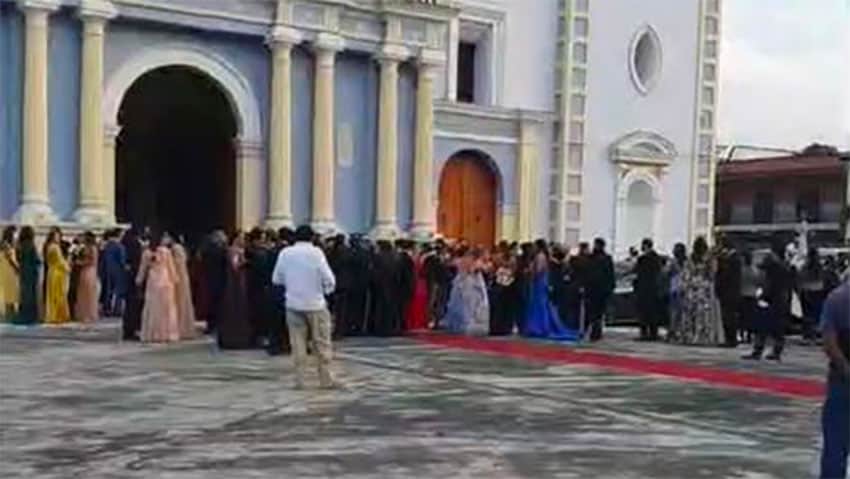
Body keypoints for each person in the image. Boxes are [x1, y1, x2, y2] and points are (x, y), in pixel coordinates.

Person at [271, 225, 337, 389]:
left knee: (297, 343)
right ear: (312, 238)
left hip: (293, 303)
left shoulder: (285, 253)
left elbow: (276, 279)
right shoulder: (316, 253)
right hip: (315, 303)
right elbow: (328, 278)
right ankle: (326, 379)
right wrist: (326, 291)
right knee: (321, 342)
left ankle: (300, 380)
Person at [818, 276, 849, 479]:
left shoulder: (837, 297)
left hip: (842, 380)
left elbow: (829, 341)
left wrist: (846, 368)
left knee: (835, 446)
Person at [744, 239, 794, 361]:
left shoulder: (774, 267)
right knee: (777, 328)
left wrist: (763, 295)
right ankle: (775, 351)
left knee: (763, 326)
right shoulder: (786, 267)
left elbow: (768, 282)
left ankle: (759, 350)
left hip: (771, 299)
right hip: (782, 299)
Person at [522, 240, 577, 341]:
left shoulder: (540, 256)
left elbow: (539, 270)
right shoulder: (544, 256)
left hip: (539, 282)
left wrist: (530, 273)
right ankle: (538, 326)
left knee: (539, 304)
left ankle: (539, 327)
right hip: (541, 282)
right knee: (540, 304)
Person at [136, 232, 180, 343]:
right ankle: (167, 332)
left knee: (153, 307)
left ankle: (153, 332)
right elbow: (171, 268)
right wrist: (175, 280)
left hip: (153, 281)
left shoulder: (146, 253)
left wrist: (139, 281)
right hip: (166, 280)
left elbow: (142, 269)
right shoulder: (166, 252)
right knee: (167, 307)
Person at [678, 237, 722, 346]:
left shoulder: (690, 259)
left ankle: (689, 336)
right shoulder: (709, 259)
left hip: (691, 289)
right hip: (704, 289)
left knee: (690, 314)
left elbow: (685, 274)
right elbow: (712, 274)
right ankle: (703, 337)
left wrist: (686, 285)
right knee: (703, 315)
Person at [217, 231, 255, 349]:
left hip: (238, 282)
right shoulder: (234, 250)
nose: (243, 241)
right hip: (235, 283)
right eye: (241, 238)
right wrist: (246, 262)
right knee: (235, 308)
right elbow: (235, 266)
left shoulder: (236, 250)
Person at [443, 247, 490, 335]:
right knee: (468, 306)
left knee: (469, 306)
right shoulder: (472, 262)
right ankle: (464, 325)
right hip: (469, 285)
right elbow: (471, 270)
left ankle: (461, 325)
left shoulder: (466, 261)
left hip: (469, 283)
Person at [585, 238, 615, 341]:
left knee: (596, 312)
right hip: (597, 289)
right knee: (596, 312)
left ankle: (595, 332)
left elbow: (610, 275)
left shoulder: (596, 258)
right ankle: (595, 332)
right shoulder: (603, 258)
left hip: (597, 289)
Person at [633, 238, 663, 341]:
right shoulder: (656, 258)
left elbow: (636, 271)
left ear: (645, 246)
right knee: (650, 312)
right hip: (651, 289)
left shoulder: (644, 259)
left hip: (646, 289)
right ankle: (651, 333)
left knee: (646, 312)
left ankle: (646, 333)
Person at [715, 238, 742, 347]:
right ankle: (730, 338)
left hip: (729, 292)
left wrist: (721, 261)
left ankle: (731, 339)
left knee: (729, 317)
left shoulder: (733, 259)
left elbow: (726, 276)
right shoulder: (732, 258)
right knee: (728, 316)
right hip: (730, 291)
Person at [798, 247, 826, 343]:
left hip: (807, 291)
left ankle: (808, 336)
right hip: (817, 290)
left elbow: (801, 278)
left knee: (808, 314)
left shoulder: (806, 266)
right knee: (816, 314)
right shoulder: (819, 267)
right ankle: (815, 335)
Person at [43, 228, 71, 325]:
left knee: (54, 294)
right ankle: (57, 315)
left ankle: (54, 315)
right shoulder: (55, 247)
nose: (58, 238)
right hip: (58, 273)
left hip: (52, 272)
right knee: (58, 294)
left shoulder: (49, 246)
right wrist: (68, 268)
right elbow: (60, 261)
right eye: (57, 236)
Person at [171, 238, 197, 340]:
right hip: (183, 275)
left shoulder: (175, 248)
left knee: (179, 301)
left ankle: (179, 326)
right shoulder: (181, 248)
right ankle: (185, 326)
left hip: (178, 276)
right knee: (184, 300)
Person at [489, 250, 519, 335]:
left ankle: (502, 327)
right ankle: (500, 327)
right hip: (503, 292)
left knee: (503, 311)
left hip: (505, 292)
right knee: (501, 311)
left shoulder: (503, 270)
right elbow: (501, 281)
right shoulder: (502, 270)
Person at [121, 227, 144, 341]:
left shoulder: (124, 244)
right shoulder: (135, 245)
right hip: (134, 278)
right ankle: (132, 330)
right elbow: (137, 262)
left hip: (126, 278)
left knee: (129, 306)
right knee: (134, 306)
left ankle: (127, 330)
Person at [13, 227, 39, 325]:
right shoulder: (31, 245)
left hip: (23, 271)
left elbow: (18, 258)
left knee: (24, 294)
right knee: (31, 294)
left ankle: (23, 315)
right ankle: (30, 317)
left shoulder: (19, 245)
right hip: (31, 271)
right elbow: (36, 259)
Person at [73, 232, 100, 324]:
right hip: (84, 270)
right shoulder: (85, 248)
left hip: (89, 270)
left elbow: (92, 261)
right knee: (83, 291)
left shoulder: (92, 248)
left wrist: (80, 262)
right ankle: (83, 313)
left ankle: (89, 314)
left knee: (89, 292)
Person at [665, 243, 688, 342]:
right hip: (684, 288)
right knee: (683, 312)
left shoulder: (673, 262)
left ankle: (672, 332)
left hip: (675, 288)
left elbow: (666, 272)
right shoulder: (687, 261)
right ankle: (681, 332)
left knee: (674, 312)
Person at [101, 229, 127, 316]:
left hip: (108, 270)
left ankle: (107, 308)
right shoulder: (120, 246)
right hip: (118, 270)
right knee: (118, 291)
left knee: (109, 290)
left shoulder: (107, 246)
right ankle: (117, 310)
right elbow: (122, 260)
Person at [737, 250, 762, 344]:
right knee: (751, 317)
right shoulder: (755, 270)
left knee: (742, 317)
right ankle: (749, 335)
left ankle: (742, 334)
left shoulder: (741, 270)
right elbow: (759, 282)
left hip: (743, 294)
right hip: (752, 294)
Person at [405, 243, 430, 331]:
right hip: (418, 283)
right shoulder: (416, 259)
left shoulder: (418, 259)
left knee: (418, 303)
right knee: (416, 303)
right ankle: (415, 322)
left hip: (419, 283)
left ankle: (416, 322)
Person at [0, 226, 19, 322]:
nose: (16, 235)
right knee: (10, 294)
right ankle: (9, 317)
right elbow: (10, 259)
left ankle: (10, 316)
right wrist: (18, 269)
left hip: (7, 271)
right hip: (9, 272)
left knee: (10, 295)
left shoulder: (7, 245)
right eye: (15, 233)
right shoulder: (6, 245)